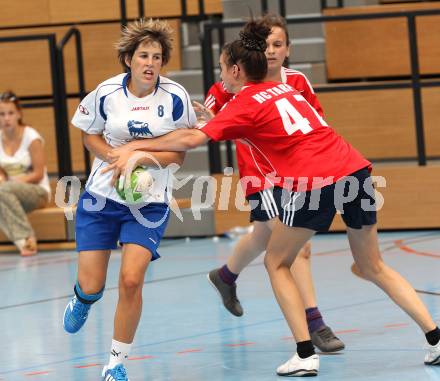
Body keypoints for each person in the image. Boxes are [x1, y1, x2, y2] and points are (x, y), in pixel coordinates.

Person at [105, 20, 440, 377]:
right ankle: (435, 339)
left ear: (235, 70)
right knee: (372, 266)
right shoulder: (286, 90)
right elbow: (272, 125)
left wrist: (135, 145)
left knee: (277, 262)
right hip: (355, 170)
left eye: (221, 68)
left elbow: (190, 140)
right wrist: (220, 119)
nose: (221, 75)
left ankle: (304, 353)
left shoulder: (244, 102)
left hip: (314, 181)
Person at [198, 13, 343, 353]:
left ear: (289, 49)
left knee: (264, 236)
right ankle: (315, 323)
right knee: (296, 246)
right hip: (259, 174)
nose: (272, 51)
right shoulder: (228, 85)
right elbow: (207, 122)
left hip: (298, 170)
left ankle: (225, 276)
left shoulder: (298, 82)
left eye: (278, 44)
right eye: (265, 45)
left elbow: (317, 123)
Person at [62, 19, 196, 381]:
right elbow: (90, 136)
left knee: (132, 279)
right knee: (92, 284)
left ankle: (115, 363)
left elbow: (180, 154)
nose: (150, 63)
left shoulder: (175, 98)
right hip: (101, 197)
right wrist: (114, 159)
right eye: (143, 56)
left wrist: (140, 159)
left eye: (156, 57)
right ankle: (82, 299)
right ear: (128, 59)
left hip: (148, 202)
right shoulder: (106, 93)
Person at [0, 91, 50, 256]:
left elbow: (38, 174)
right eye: (2, 114)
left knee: (3, 190)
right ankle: (22, 242)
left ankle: (27, 238)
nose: (6, 118)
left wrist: (10, 184)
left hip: (36, 192)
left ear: (19, 114)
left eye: (10, 113)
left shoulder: (31, 136)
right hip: (7, 194)